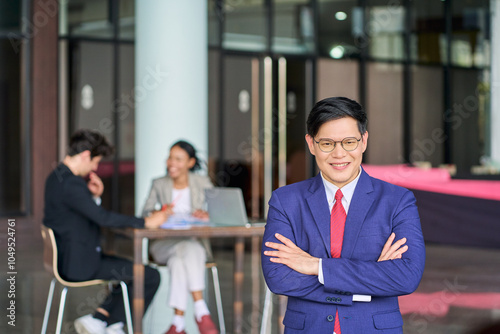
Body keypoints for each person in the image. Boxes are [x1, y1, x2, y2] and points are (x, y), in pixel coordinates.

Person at [261, 97, 426, 333]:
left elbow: (407, 276)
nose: (339, 154)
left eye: (349, 142)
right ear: (311, 144)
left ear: (364, 141)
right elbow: (278, 276)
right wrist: (369, 281)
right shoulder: (285, 200)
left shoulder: (397, 200)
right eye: (327, 143)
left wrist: (316, 266)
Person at [43, 129, 167, 334]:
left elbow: (83, 214)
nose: (95, 167)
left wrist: (95, 197)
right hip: (79, 265)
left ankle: (101, 319)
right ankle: (113, 325)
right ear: (85, 155)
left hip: (68, 259)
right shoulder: (72, 183)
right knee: (149, 275)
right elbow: (103, 218)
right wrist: (146, 221)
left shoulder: (55, 178)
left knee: (130, 270)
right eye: (95, 161)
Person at [141, 140, 219, 334]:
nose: (171, 163)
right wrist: (160, 211)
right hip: (163, 246)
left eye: (178, 159)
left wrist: (207, 214)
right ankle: (201, 310)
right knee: (188, 250)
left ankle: (178, 323)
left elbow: (219, 210)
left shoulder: (202, 183)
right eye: (170, 157)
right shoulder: (159, 183)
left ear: (190, 163)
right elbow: (145, 213)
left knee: (180, 260)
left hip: (192, 244)